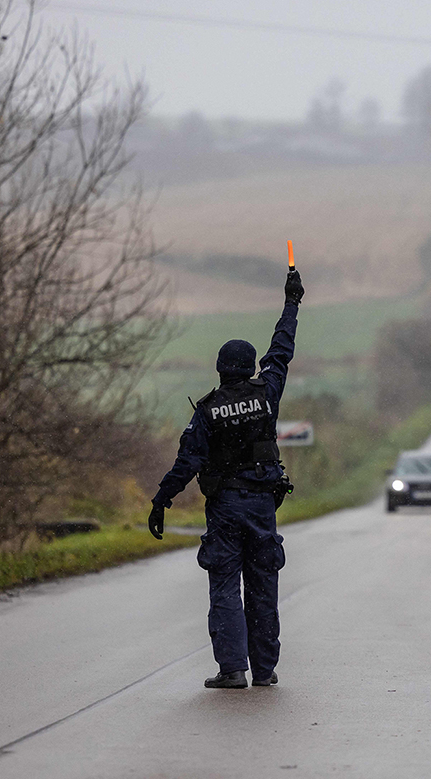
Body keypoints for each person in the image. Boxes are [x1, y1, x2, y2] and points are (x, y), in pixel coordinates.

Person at [149, 267, 305, 689]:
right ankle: (265, 670)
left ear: (220, 369)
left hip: (225, 508)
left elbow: (187, 462)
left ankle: (233, 670)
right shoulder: (266, 394)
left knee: (224, 586)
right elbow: (281, 352)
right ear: (249, 367)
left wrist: (161, 500)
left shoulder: (206, 410)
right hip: (261, 506)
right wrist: (291, 303)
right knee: (263, 587)